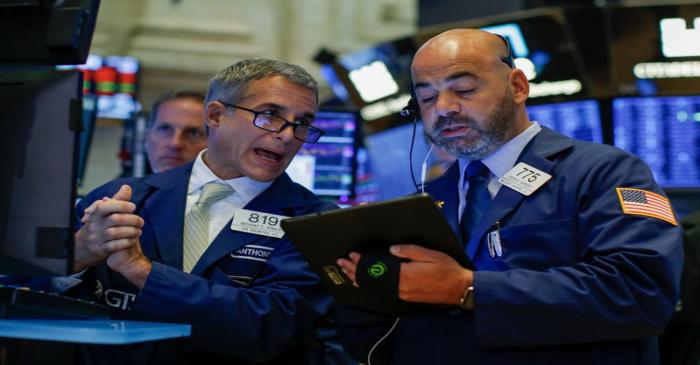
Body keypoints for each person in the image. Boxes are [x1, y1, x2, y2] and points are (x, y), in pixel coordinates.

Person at [335, 29, 684, 365]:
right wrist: (361, 287)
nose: (443, 107)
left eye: (464, 89)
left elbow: (642, 292)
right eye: (427, 97)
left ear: (517, 87)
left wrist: (467, 288)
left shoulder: (605, 172)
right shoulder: (423, 203)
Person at [72, 58, 353, 364]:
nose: (287, 135)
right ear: (216, 115)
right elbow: (25, 291)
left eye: (302, 123)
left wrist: (142, 271)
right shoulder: (120, 198)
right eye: (271, 115)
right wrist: (76, 255)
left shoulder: (317, 223)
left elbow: (268, 328)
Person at [144, 90, 208, 173]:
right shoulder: (127, 185)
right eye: (164, 129)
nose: (175, 144)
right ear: (147, 137)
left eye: (193, 133)